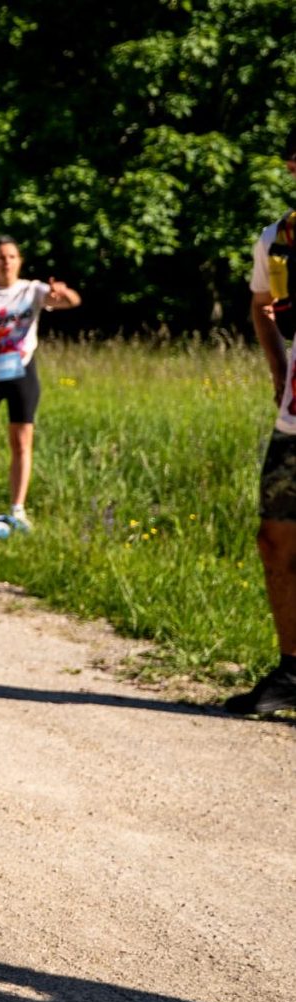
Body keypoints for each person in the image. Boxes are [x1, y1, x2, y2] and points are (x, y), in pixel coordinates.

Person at [230, 132, 296, 717]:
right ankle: (292, 670)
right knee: (274, 538)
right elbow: (260, 306)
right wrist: (278, 368)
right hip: (293, 416)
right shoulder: (277, 239)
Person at [0, 235, 80, 530]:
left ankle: (18, 509)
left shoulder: (32, 290)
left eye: (11, 257)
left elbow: (72, 301)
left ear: (19, 261)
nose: (6, 262)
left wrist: (62, 292)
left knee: (21, 442)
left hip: (22, 373)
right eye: (0, 257)